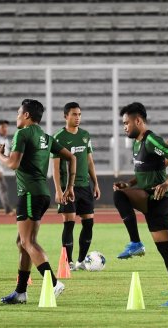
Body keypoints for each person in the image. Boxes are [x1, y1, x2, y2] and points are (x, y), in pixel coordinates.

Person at [0, 99, 76, 304]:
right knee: (22, 242)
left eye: (18, 113)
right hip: (42, 193)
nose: (16, 117)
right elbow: (72, 158)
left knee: (27, 242)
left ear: (26, 115)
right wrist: (69, 187)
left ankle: (53, 283)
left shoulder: (22, 134)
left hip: (30, 193)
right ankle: (20, 292)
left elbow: (13, 164)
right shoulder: (46, 137)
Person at [112, 102, 168, 306]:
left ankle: (136, 243)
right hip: (154, 199)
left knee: (120, 196)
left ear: (138, 120)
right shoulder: (138, 143)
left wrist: (166, 183)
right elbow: (147, 171)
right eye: (123, 124)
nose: (124, 127)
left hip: (158, 198)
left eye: (127, 123)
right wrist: (128, 183)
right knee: (167, 250)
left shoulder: (150, 139)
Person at [52, 102, 100, 271]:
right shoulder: (58, 138)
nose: (77, 117)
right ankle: (68, 262)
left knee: (89, 223)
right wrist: (59, 190)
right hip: (67, 188)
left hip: (85, 186)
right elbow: (56, 167)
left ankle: (80, 261)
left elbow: (89, 161)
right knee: (69, 223)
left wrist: (96, 184)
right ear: (66, 116)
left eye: (79, 114)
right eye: (74, 114)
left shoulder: (85, 135)